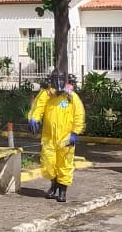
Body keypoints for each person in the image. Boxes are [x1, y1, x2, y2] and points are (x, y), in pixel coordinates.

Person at [28, 69, 85, 201]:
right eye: (55, 79)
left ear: (64, 80)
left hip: (66, 137)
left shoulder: (71, 96)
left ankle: (62, 191)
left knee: (65, 164)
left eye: (60, 79)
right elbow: (38, 107)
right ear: (51, 80)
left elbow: (79, 114)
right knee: (48, 164)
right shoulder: (46, 94)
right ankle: (54, 185)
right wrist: (34, 118)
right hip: (48, 137)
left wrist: (75, 132)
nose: (58, 82)